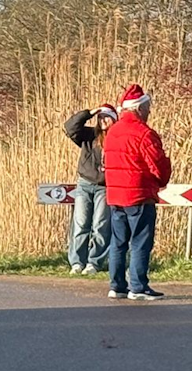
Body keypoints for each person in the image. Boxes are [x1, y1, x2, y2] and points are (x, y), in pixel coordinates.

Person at [101, 83, 172, 301]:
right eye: (147, 107)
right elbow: (157, 164)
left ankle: (117, 286)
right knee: (140, 241)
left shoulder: (112, 132)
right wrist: (162, 179)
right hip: (139, 194)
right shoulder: (144, 133)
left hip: (115, 196)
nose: (149, 112)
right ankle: (138, 286)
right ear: (139, 108)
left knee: (118, 242)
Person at [63, 103, 117, 274]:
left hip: (105, 187)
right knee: (80, 223)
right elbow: (70, 127)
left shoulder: (118, 139)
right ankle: (77, 262)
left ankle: (94, 262)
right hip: (85, 184)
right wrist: (89, 113)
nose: (103, 120)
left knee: (100, 225)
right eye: (100, 117)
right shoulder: (89, 135)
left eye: (107, 117)